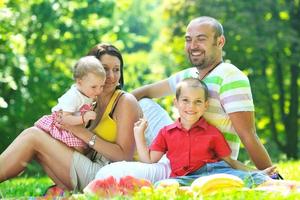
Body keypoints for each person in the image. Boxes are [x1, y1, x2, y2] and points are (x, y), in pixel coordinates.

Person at [95, 16, 273, 184]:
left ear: (220, 41)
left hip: (205, 167)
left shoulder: (230, 76)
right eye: (189, 39)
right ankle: (107, 154)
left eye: (201, 39)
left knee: (108, 174)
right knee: (141, 103)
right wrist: (105, 115)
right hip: (174, 153)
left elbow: (248, 135)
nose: (193, 45)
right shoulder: (189, 76)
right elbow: (144, 91)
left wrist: (271, 176)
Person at [0, 43, 141, 192]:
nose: (111, 76)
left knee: (33, 136)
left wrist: (79, 131)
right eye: (105, 69)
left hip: (106, 175)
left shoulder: (125, 102)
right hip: (87, 166)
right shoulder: (89, 102)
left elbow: (124, 156)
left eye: (116, 70)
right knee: (36, 135)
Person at [134, 78, 275, 188]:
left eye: (198, 102)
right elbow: (149, 160)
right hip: (185, 177)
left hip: (215, 172)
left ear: (206, 105)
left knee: (254, 179)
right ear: (175, 102)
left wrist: (256, 172)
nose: (191, 106)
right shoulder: (166, 133)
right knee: (160, 186)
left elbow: (231, 162)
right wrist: (138, 135)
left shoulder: (212, 133)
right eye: (185, 100)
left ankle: (268, 180)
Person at [34, 56, 106, 153]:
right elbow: (64, 119)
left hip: (72, 127)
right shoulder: (74, 96)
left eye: (101, 86)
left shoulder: (88, 93)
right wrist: (83, 118)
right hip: (60, 126)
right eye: (94, 87)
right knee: (79, 149)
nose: (99, 91)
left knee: (82, 149)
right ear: (79, 83)